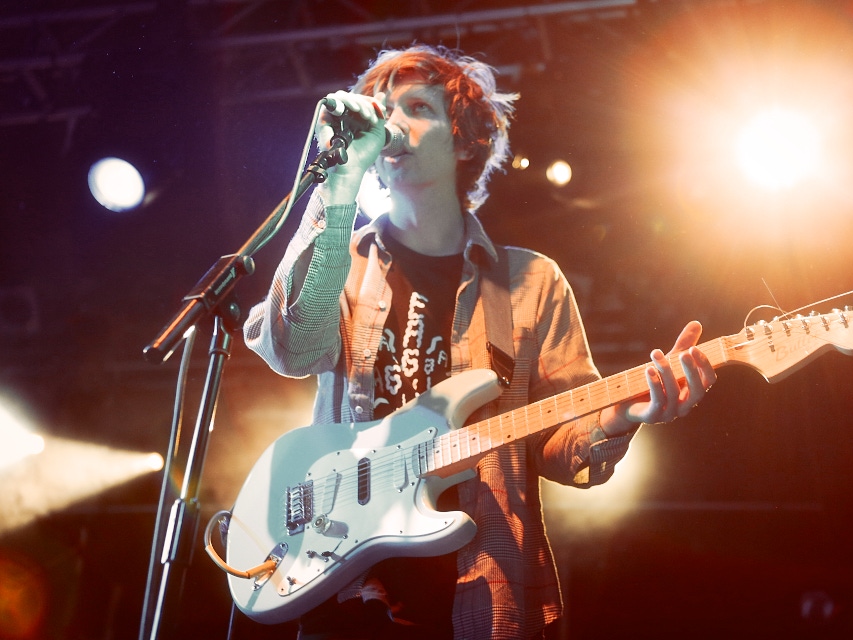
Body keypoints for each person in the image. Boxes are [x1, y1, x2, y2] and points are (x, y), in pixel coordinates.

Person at [243, 44, 717, 640]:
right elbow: (293, 349)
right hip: (345, 587)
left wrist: (624, 415)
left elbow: (561, 447)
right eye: (382, 107)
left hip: (480, 590)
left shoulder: (530, 281)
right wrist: (338, 185)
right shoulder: (346, 259)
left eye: (417, 107)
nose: (391, 121)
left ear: (466, 142)